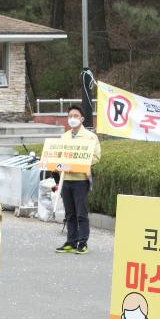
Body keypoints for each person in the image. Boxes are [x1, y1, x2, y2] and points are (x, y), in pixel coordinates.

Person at [54, 105, 100, 254]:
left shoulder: (90, 137)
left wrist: (80, 164)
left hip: (81, 179)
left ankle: (82, 242)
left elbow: (96, 156)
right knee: (70, 213)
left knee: (81, 213)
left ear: (82, 119)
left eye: (75, 116)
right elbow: (58, 155)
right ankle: (71, 241)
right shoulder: (64, 136)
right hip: (66, 179)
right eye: (70, 116)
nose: (72, 119)